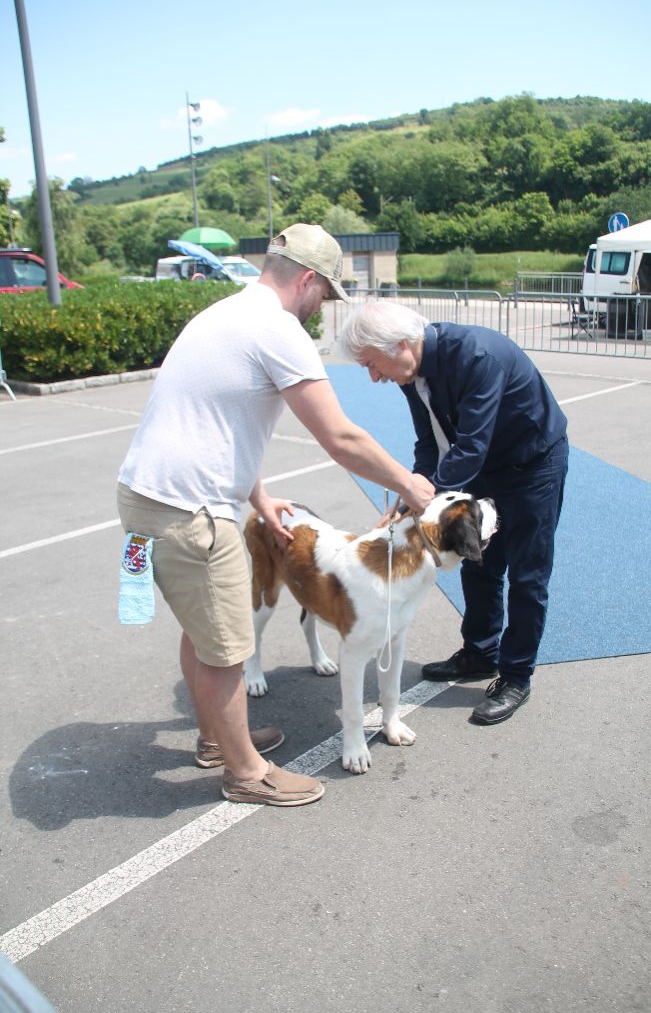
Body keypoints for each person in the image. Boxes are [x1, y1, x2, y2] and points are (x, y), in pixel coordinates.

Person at [117, 225, 434, 807]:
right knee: (227, 644)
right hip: (190, 513)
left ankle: (219, 737)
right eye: (327, 295)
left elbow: (211, 420)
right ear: (308, 279)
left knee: (202, 629)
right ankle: (245, 772)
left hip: (147, 498)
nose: (324, 308)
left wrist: (258, 495)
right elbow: (339, 436)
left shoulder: (225, 313)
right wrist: (410, 484)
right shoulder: (278, 329)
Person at [340, 300, 568, 725]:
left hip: (531, 465)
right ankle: (480, 653)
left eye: (373, 364)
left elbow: (470, 447)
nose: (373, 377)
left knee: (527, 573)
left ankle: (516, 675)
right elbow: (430, 443)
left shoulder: (478, 357)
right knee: (476, 562)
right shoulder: (411, 372)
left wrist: (418, 500)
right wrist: (411, 488)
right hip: (480, 466)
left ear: (401, 345)